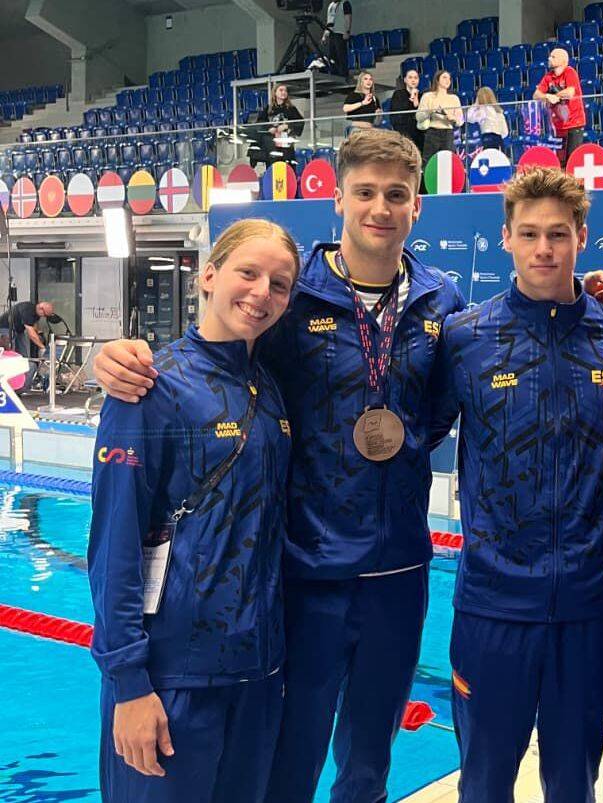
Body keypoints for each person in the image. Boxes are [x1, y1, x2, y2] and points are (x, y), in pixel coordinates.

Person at [92, 128, 466, 803]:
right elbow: (212, 359)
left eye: (396, 194)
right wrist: (115, 357)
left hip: (399, 568)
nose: (380, 206)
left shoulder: (442, 301)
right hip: (307, 571)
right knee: (288, 764)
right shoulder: (298, 301)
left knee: (367, 763)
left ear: (417, 207)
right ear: (340, 201)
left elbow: (435, 415)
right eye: (365, 192)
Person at [438, 167, 603, 801]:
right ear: (506, 239)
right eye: (529, 234)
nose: (544, 249)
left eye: (558, 233)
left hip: (588, 600)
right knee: (485, 781)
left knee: (571, 783)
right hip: (492, 603)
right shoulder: (466, 338)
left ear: (582, 236)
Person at [88, 219, 299, 802]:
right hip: (171, 680)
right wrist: (129, 684)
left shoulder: (271, 389)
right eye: (248, 273)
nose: (261, 293)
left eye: (279, 285)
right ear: (209, 274)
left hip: (256, 679)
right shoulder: (149, 385)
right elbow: (115, 545)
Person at [533, 48, 586, 165]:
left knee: (572, 159)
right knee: (560, 161)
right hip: (558, 125)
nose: (549, 58)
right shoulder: (548, 77)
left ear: (562, 60)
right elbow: (536, 95)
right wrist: (547, 96)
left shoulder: (570, 72)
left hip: (574, 122)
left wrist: (555, 96)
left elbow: (570, 92)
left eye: (553, 57)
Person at [251, 83, 306, 169]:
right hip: (272, 146)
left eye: (285, 90)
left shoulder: (291, 109)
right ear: (275, 92)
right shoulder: (268, 108)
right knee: (273, 168)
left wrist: (287, 125)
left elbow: (300, 122)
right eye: (281, 90)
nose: (283, 92)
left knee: (288, 168)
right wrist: (269, 128)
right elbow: (260, 122)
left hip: (286, 145)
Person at [417, 70, 464, 165]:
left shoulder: (454, 98)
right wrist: (429, 111)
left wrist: (453, 118)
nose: (448, 80)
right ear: (437, 80)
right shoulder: (428, 96)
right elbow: (419, 116)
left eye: (449, 78)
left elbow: (461, 121)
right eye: (444, 77)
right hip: (432, 133)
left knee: (448, 163)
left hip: (448, 133)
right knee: (429, 162)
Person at [390, 69, 424, 153]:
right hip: (404, 133)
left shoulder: (422, 96)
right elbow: (399, 112)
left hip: (419, 133)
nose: (413, 80)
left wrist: (416, 103)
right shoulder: (398, 94)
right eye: (410, 77)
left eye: (415, 78)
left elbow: (423, 114)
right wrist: (411, 97)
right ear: (405, 80)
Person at [465, 86, 509, 151]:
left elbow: (468, 118)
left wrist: (475, 105)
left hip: (487, 139)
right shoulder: (499, 111)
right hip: (499, 140)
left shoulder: (482, 110)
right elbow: (505, 132)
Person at [324, 0, 352, 78]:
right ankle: (334, 74)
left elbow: (348, 17)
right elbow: (329, 21)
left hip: (340, 32)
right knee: (331, 55)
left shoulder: (345, 3)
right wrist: (325, 35)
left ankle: (344, 74)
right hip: (331, 33)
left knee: (341, 54)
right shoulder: (330, 5)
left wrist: (347, 31)